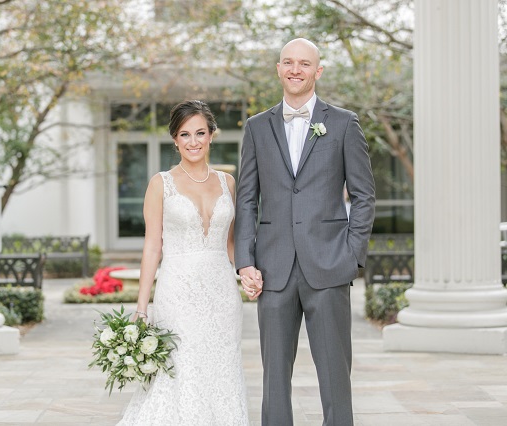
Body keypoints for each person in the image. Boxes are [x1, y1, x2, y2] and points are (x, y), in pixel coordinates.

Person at [235, 38, 376, 426]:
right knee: (274, 379)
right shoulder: (257, 127)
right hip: (274, 269)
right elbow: (246, 198)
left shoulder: (344, 123)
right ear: (278, 69)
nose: (295, 70)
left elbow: (364, 195)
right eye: (288, 62)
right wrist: (245, 261)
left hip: (329, 266)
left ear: (319, 71)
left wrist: (350, 256)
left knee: (334, 376)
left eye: (304, 63)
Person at [117, 100, 250, 425]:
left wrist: (248, 271)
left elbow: (231, 243)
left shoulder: (227, 183)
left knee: (221, 367)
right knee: (181, 370)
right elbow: (152, 247)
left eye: (200, 133)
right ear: (175, 139)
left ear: (211, 135)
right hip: (179, 293)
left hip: (221, 294)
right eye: (185, 134)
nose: (193, 141)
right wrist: (141, 306)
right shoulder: (160, 183)